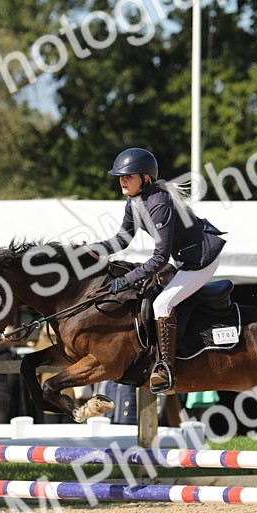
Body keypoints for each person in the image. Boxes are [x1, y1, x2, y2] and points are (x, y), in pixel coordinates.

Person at [82, 148, 226, 394]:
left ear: (145, 178)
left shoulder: (159, 203)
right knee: (147, 294)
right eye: (120, 176)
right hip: (184, 259)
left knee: (162, 305)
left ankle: (165, 370)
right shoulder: (134, 201)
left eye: (128, 176)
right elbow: (122, 240)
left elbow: (160, 258)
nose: (122, 180)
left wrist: (125, 280)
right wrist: (92, 250)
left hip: (201, 260)